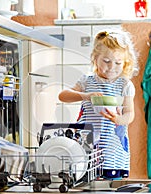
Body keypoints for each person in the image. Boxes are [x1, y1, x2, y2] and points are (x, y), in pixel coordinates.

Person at [58, 30, 138, 180]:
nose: (112, 67)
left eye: (118, 63)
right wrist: (85, 96)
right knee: (86, 182)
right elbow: (62, 96)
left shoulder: (125, 85)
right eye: (106, 61)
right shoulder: (87, 81)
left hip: (112, 149)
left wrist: (119, 119)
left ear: (125, 62)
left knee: (109, 187)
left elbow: (130, 114)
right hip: (86, 147)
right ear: (95, 58)